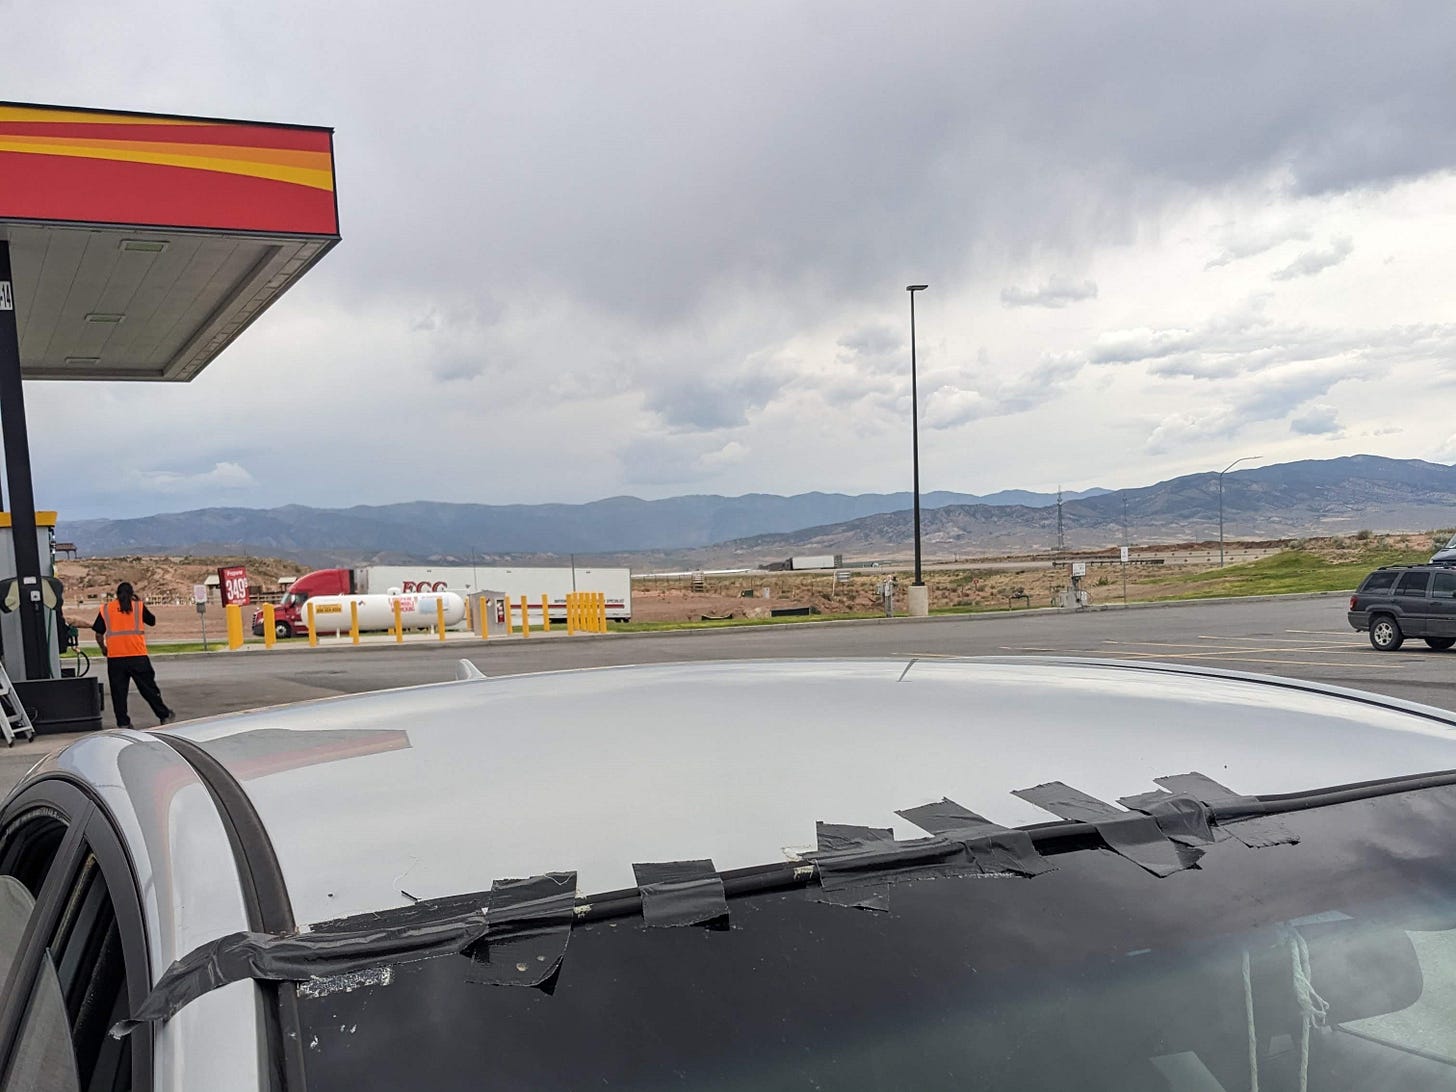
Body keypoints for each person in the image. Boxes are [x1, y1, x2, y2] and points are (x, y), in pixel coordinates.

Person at [92, 582, 175, 729]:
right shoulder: (138, 607)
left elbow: (98, 634)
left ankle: (123, 723)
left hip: (116, 658)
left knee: (118, 693)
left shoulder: (106, 609)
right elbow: (152, 621)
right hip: (138, 656)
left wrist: (103, 648)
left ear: (116, 594)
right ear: (132, 594)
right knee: (149, 689)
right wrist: (138, 602)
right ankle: (164, 715)